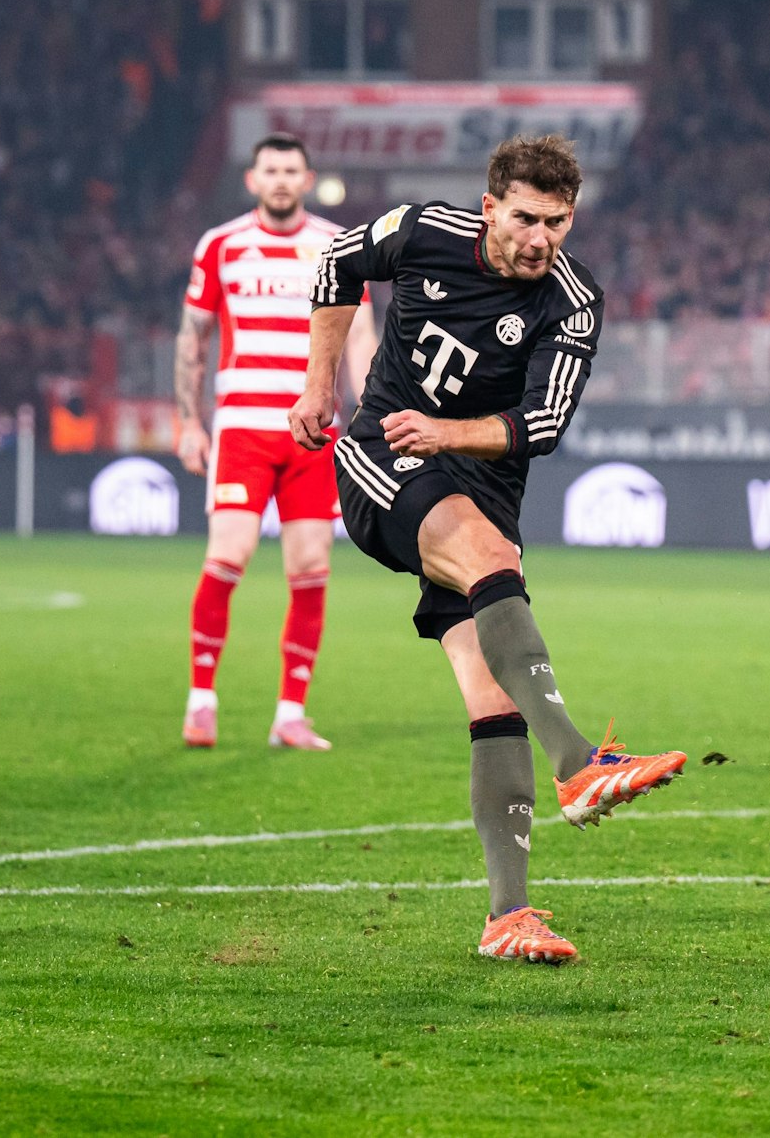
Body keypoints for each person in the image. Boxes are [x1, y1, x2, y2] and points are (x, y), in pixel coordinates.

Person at [290, 134, 686, 965]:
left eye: (559, 221)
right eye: (526, 218)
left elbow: (540, 426)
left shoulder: (574, 301)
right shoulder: (424, 231)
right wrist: (320, 381)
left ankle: (509, 915)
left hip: (478, 487)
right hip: (384, 454)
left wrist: (450, 435)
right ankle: (579, 761)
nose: (541, 237)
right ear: (490, 207)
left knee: (492, 694)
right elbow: (336, 263)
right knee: (485, 557)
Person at [177, 133, 377, 751]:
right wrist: (188, 421)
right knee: (228, 555)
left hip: (314, 434)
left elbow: (360, 334)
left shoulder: (335, 248)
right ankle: (201, 699)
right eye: (272, 170)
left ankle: (290, 713)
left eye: (293, 170)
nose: (283, 179)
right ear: (253, 179)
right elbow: (193, 337)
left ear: (308, 178)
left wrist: (368, 418)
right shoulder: (221, 246)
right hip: (242, 427)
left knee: (311, 568)